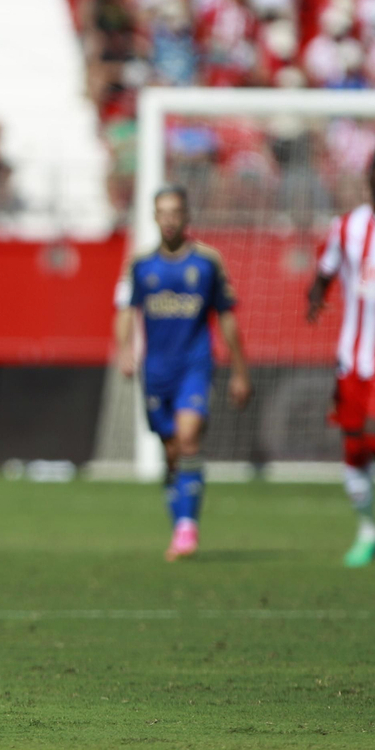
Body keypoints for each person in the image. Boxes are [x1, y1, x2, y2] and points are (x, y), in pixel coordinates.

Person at [115, 185, 250, 562]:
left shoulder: (208, 262)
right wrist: (125, 350)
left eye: (176, 211)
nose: (170, 219)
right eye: (163, 212)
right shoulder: (141, 265)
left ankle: (187, 528)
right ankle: (180, 524)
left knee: (189, 438)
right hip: (156, 371)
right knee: (172, 450)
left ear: (187, 216)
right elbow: (126, 310)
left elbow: (226, 315)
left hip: (195, 364)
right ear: (154, 217)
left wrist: (240, 371)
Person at [307, 147, 375, 566]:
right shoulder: (349, 228)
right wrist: (315, 296)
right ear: (370, 176)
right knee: (355, 450)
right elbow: (325, 270)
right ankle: (368, 530)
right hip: (352, 360)